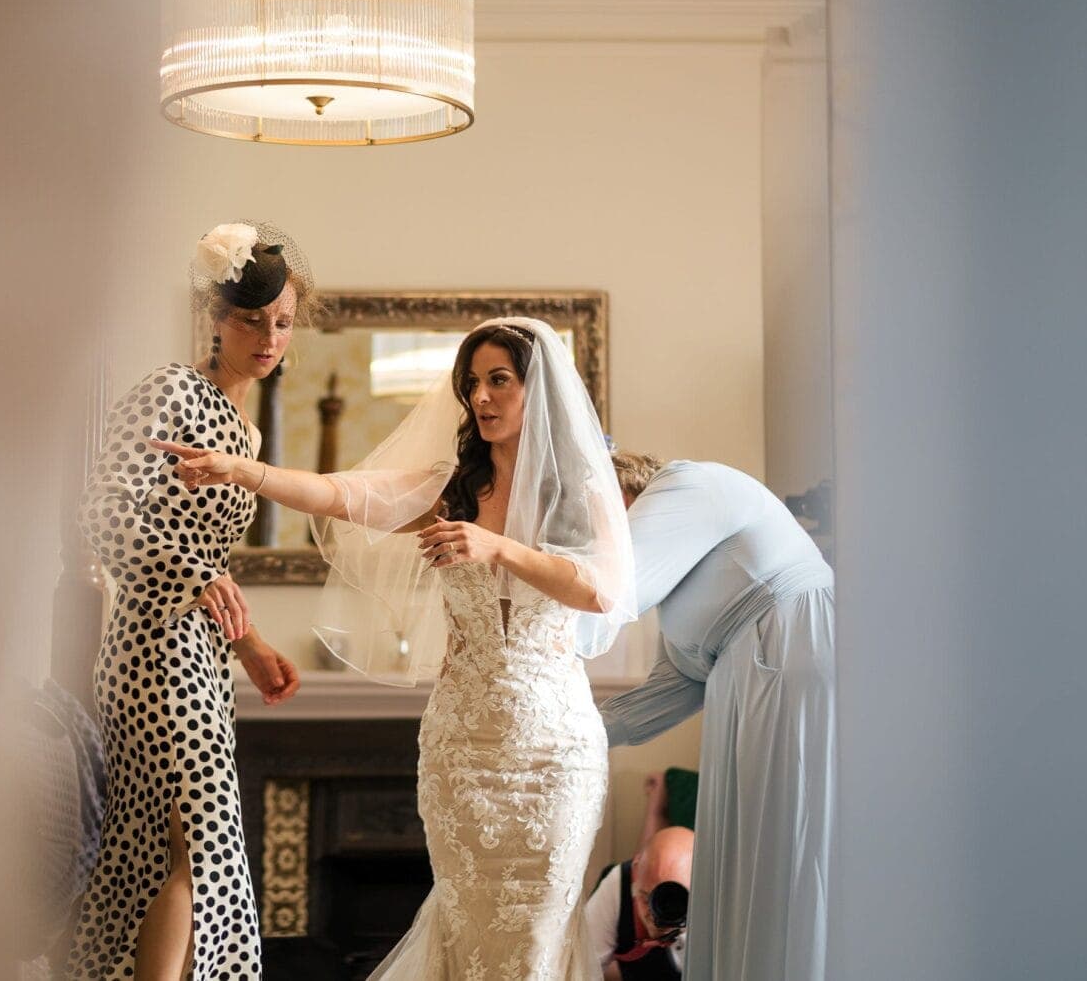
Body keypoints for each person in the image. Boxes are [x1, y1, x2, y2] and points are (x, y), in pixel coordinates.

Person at [158, 317, 637, 979]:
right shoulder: (450, 488)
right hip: (462, 749)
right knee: (466, 929)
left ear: (539, 391)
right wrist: (247, 470)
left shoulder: (584, 494)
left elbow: (603, 591)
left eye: (500, 380)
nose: (483, 397)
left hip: (554, 751)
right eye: (472, 383)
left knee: (538, 934)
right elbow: (340, 493)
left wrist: (495, 545)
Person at [64, 222, 307, 981]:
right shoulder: (170, 390)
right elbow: (102, 512)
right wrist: (194, 576)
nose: (269, 337)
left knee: (159, 844)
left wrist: (249, 643)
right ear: (217, 318)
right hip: (148, 645)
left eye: (284, 322)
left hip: (197, 651)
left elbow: (211, 567)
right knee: (194, 835)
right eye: (252, 319)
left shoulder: (245, 431)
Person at [599, 453, 835, 981]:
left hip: (793, 654)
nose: (598, 538)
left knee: (791, 848)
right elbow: (672, 690)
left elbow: (602, 594)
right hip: (744, 693)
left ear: (628, 493)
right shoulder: (681, 603)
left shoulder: (687, 483)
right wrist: (571, 733)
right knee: (753, 866)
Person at [581, 824, 694, 981]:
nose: (654, 914)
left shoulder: (723, 904)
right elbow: (581, 969)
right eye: (646, 897)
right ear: (636, 869)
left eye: (672, 900)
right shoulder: (621, 883)